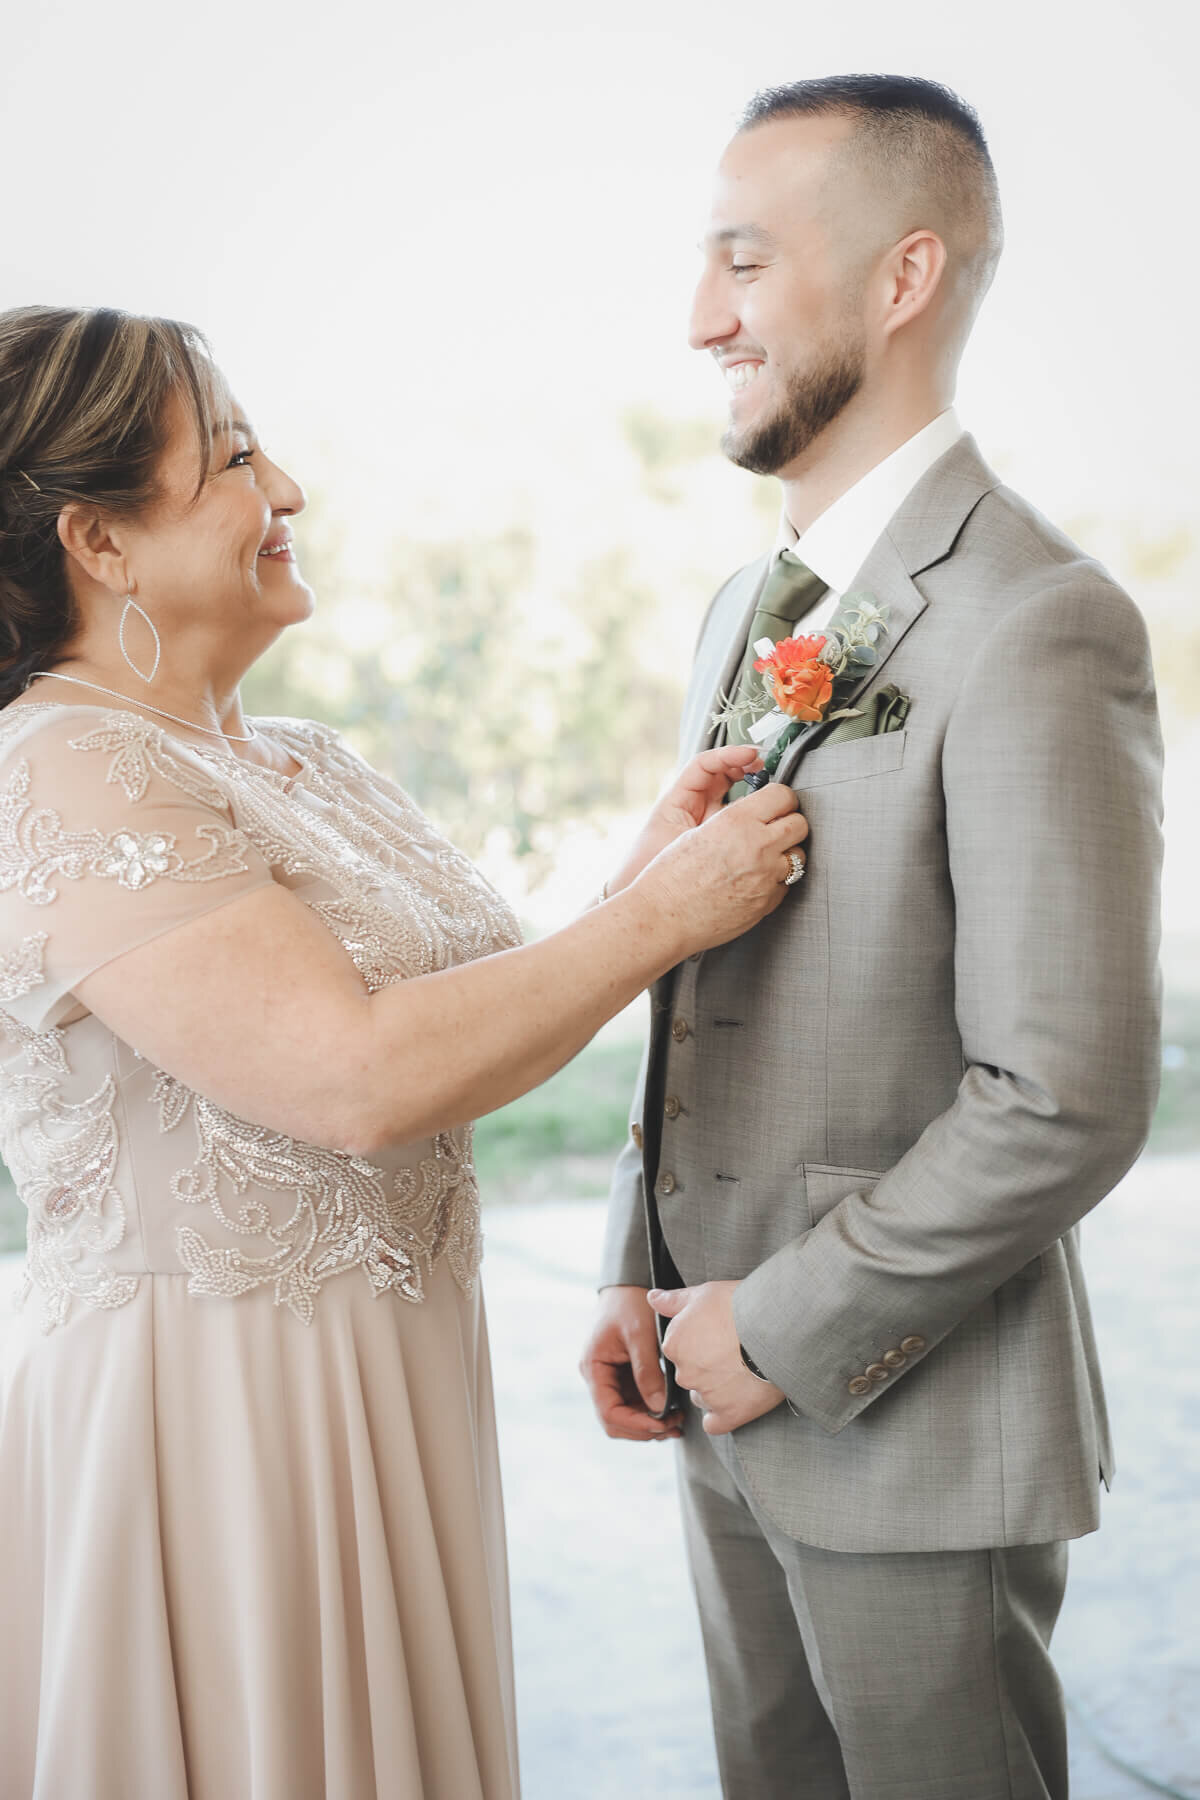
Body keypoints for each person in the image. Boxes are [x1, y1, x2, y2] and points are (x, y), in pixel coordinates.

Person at [0, 304, 810, 1799]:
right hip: (216, 1430)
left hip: (391, 1385)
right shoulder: (66, 760)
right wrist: (667, 925)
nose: (289, 492)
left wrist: (641, 879)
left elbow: (470, 1014)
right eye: (235, 459)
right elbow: (353, 1078)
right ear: (97, 543)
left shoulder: (305, 755)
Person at [582, 74, 1163, 1800]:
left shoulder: (1042, 621)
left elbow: (1065, 1092)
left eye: (744, 264)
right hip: (715, 1390)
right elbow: (711, 963)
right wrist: (652, 1264)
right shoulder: (738, 614)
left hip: (905, 1424)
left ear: (902, 280)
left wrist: (780, 1326)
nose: (702, 318)